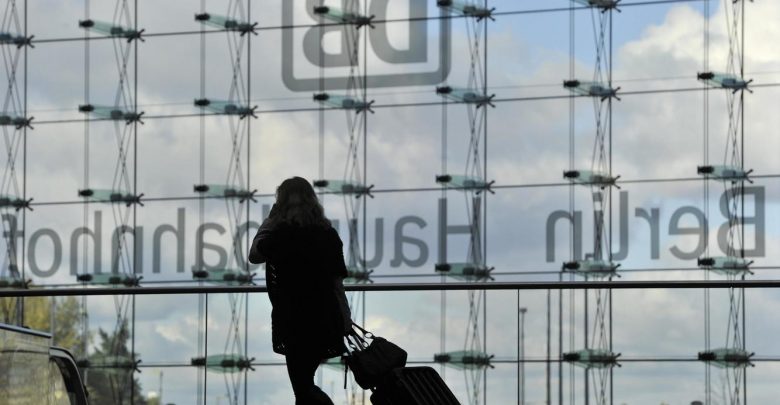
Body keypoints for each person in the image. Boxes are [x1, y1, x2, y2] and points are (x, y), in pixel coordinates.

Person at [248, 176, 351, 405]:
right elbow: (336, 283)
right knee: (304, 385)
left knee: (302, 387)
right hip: (324, 318)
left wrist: (270, 221)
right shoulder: (328, 235)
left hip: (292, 320)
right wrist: (345, 318)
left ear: (281, 203)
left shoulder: (280, 235)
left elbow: (254, 255)